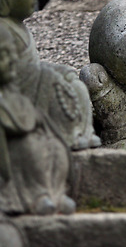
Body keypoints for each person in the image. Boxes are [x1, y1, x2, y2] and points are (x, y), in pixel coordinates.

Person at [0, 0, 100, 150]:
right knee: (49, 78)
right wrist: (39, 73)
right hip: (13, 94)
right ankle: (64, 133)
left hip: (29, 84)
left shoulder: (20, 28)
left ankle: (82, 131)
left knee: (72, 78)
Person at [0, 28, 75, 215]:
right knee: (29, 148)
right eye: (2, 56)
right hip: (17, 154)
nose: (10, 62)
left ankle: (56, 193)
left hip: (38, 140)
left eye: (12, 55)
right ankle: (37, 196)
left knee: (56, 148)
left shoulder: (15, 93)